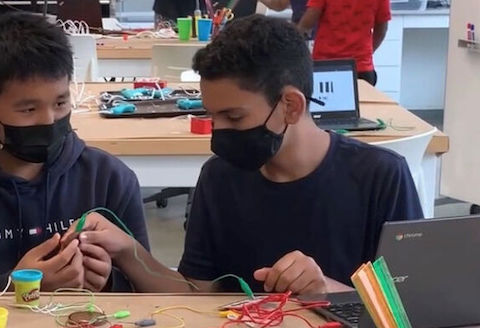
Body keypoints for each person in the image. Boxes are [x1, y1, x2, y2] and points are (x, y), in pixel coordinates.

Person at [73, 15, 422, 295]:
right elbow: (198, 290)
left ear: (290, 105)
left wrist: (328, 290)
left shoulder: (381, 177)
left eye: (234, 117)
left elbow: (412, 310)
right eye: (211, 116)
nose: (219, 133)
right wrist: (128, 252)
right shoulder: (220, 177)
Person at [0, 13, 148, 292]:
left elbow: (145, 291)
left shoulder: (108, 179)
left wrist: (108, 281)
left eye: (60, 102)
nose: (48, 120)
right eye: (28, 109)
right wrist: (17, 286)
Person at [298, 0, 390, 86]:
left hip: (325, 66)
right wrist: (367, 53)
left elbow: (307, 24)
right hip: (361, 68)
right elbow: (382, 29)